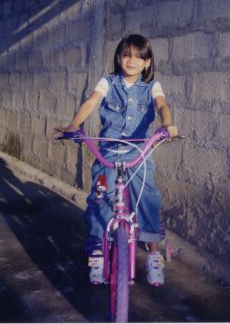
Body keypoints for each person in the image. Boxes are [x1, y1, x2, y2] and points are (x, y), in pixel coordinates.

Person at [55, 34, 178, 286]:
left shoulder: (151, 85)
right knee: (100, 198)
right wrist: (74, 126)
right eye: (126, 54)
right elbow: (91, 102)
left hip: (139, 153)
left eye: (138, 56)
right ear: (119, 57)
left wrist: (167, 125)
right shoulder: (107, 82)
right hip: (108, 152)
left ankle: (154, 254)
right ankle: (97, 252)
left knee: (148, 198)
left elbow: (163, 105)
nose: (131, 60)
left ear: (147, 62)